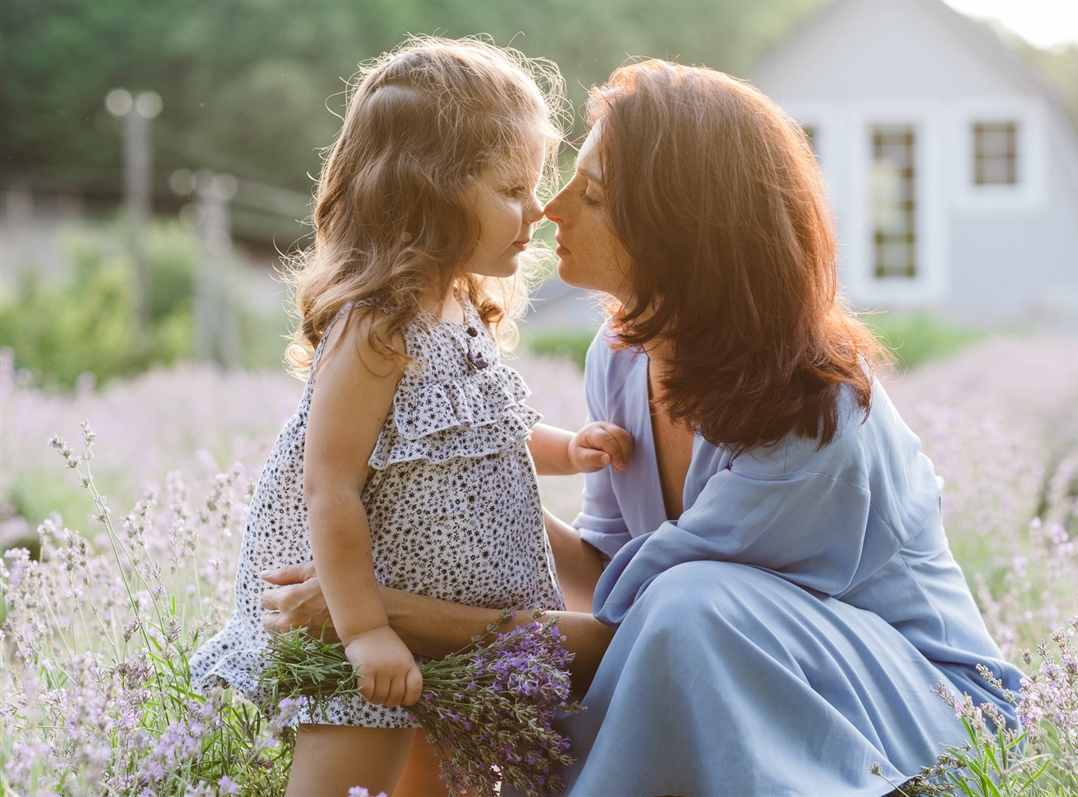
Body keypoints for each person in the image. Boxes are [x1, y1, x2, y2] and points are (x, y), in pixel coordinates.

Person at [261, 59, 1023, 797]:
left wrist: (384, 609)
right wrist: (444, 504)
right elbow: (612, 579)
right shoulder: (623, 357)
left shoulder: (813, 426)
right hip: (732, 672)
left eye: (589, 194)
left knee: (693, 603)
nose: (550, 209)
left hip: (924, 713)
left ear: (677, 229)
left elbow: (641, 636)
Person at [189, 37, 633, 797]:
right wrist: (363, 631)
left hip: (449, 628)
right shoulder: (377, 326)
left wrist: (572, 448)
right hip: (374, 629)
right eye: (511, 191)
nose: (539, 212)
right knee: (348, 771)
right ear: (426, 191)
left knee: (439, 783)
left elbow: (487, 433)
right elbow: (329, 487)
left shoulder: (462, 308)